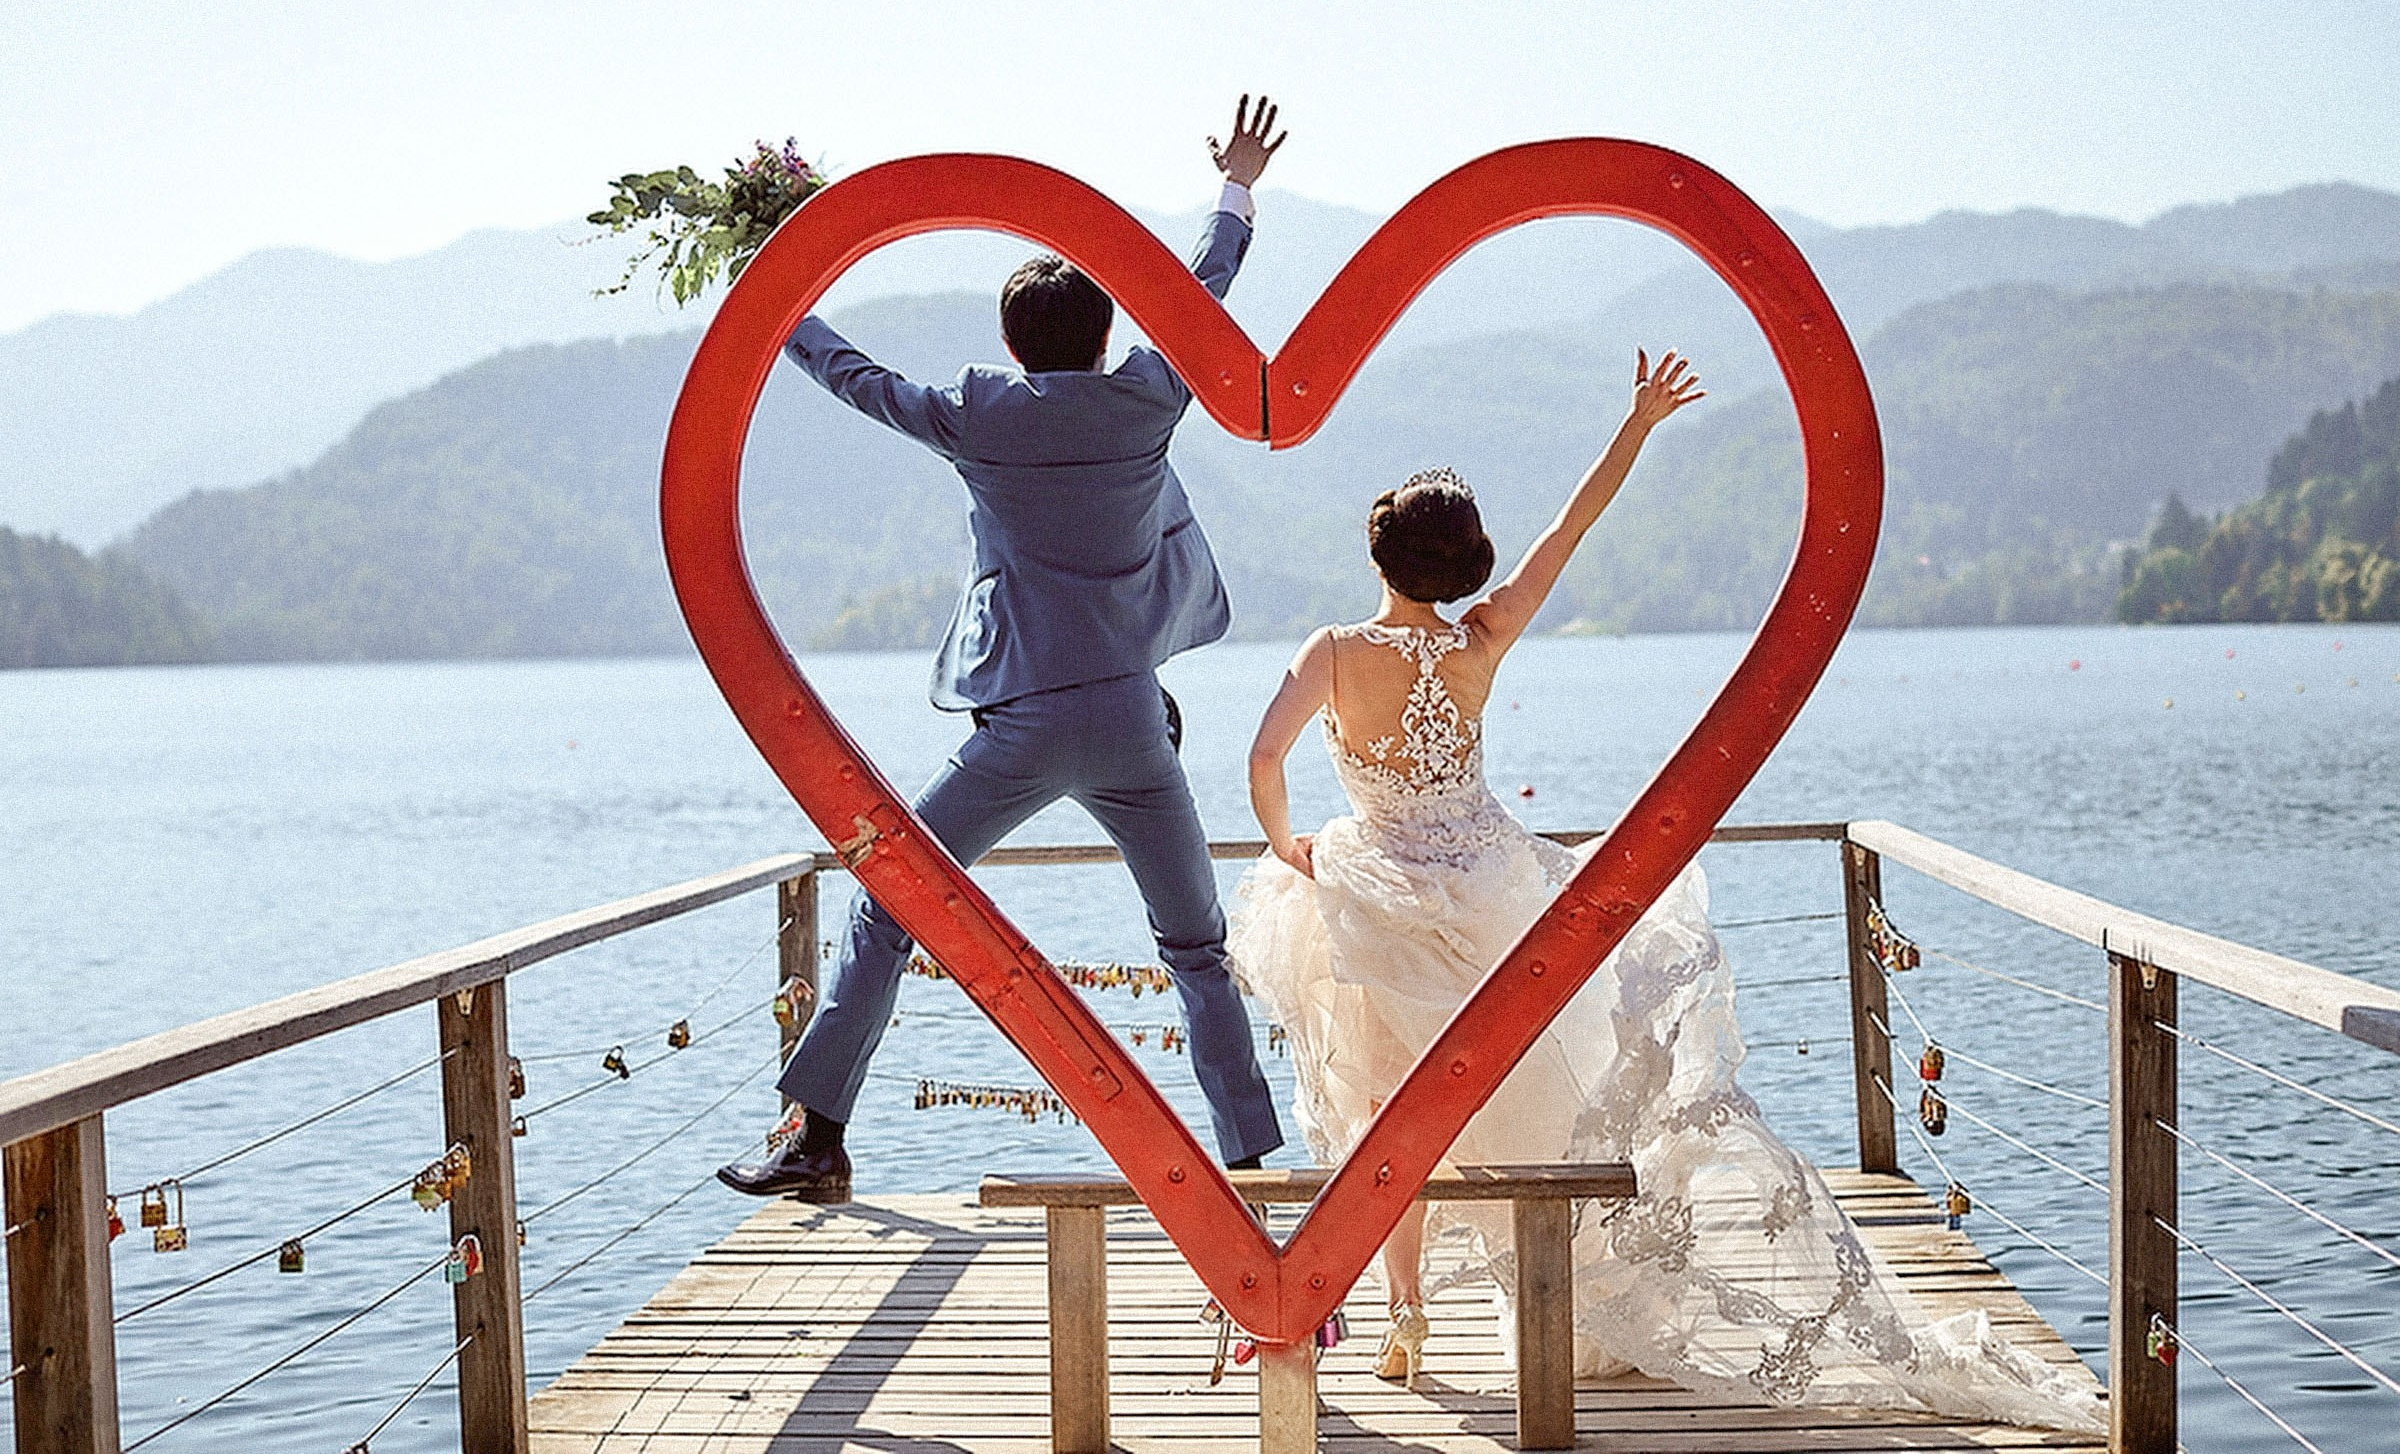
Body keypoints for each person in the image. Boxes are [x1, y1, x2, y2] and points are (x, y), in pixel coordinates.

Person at [1226, 353, 2103, 1431]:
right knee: (1515, 1103)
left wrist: (1294, 846)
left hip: (1381, 896)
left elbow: (1263, 760)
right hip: (1493, 890)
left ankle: (1406, 1313)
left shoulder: (1333, 652)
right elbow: (1571, 530)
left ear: (1378, 549)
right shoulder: (1485, 636)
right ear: (1459, 564)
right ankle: (1545, 1297)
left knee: (1384, 1113)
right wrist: (1636, 424)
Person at [719, 97, 1292, 1201]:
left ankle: (818, 1132)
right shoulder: (1148, 396)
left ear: (1012, 347)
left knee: (892, 903)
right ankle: (1254, 1170)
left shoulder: (980, 417)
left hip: (1023, 726)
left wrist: (773, 283)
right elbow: (1201, 294)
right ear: (1104, 335)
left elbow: (855, 377)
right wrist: (1237, 186)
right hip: (1133, 724)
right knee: (1197, 954)